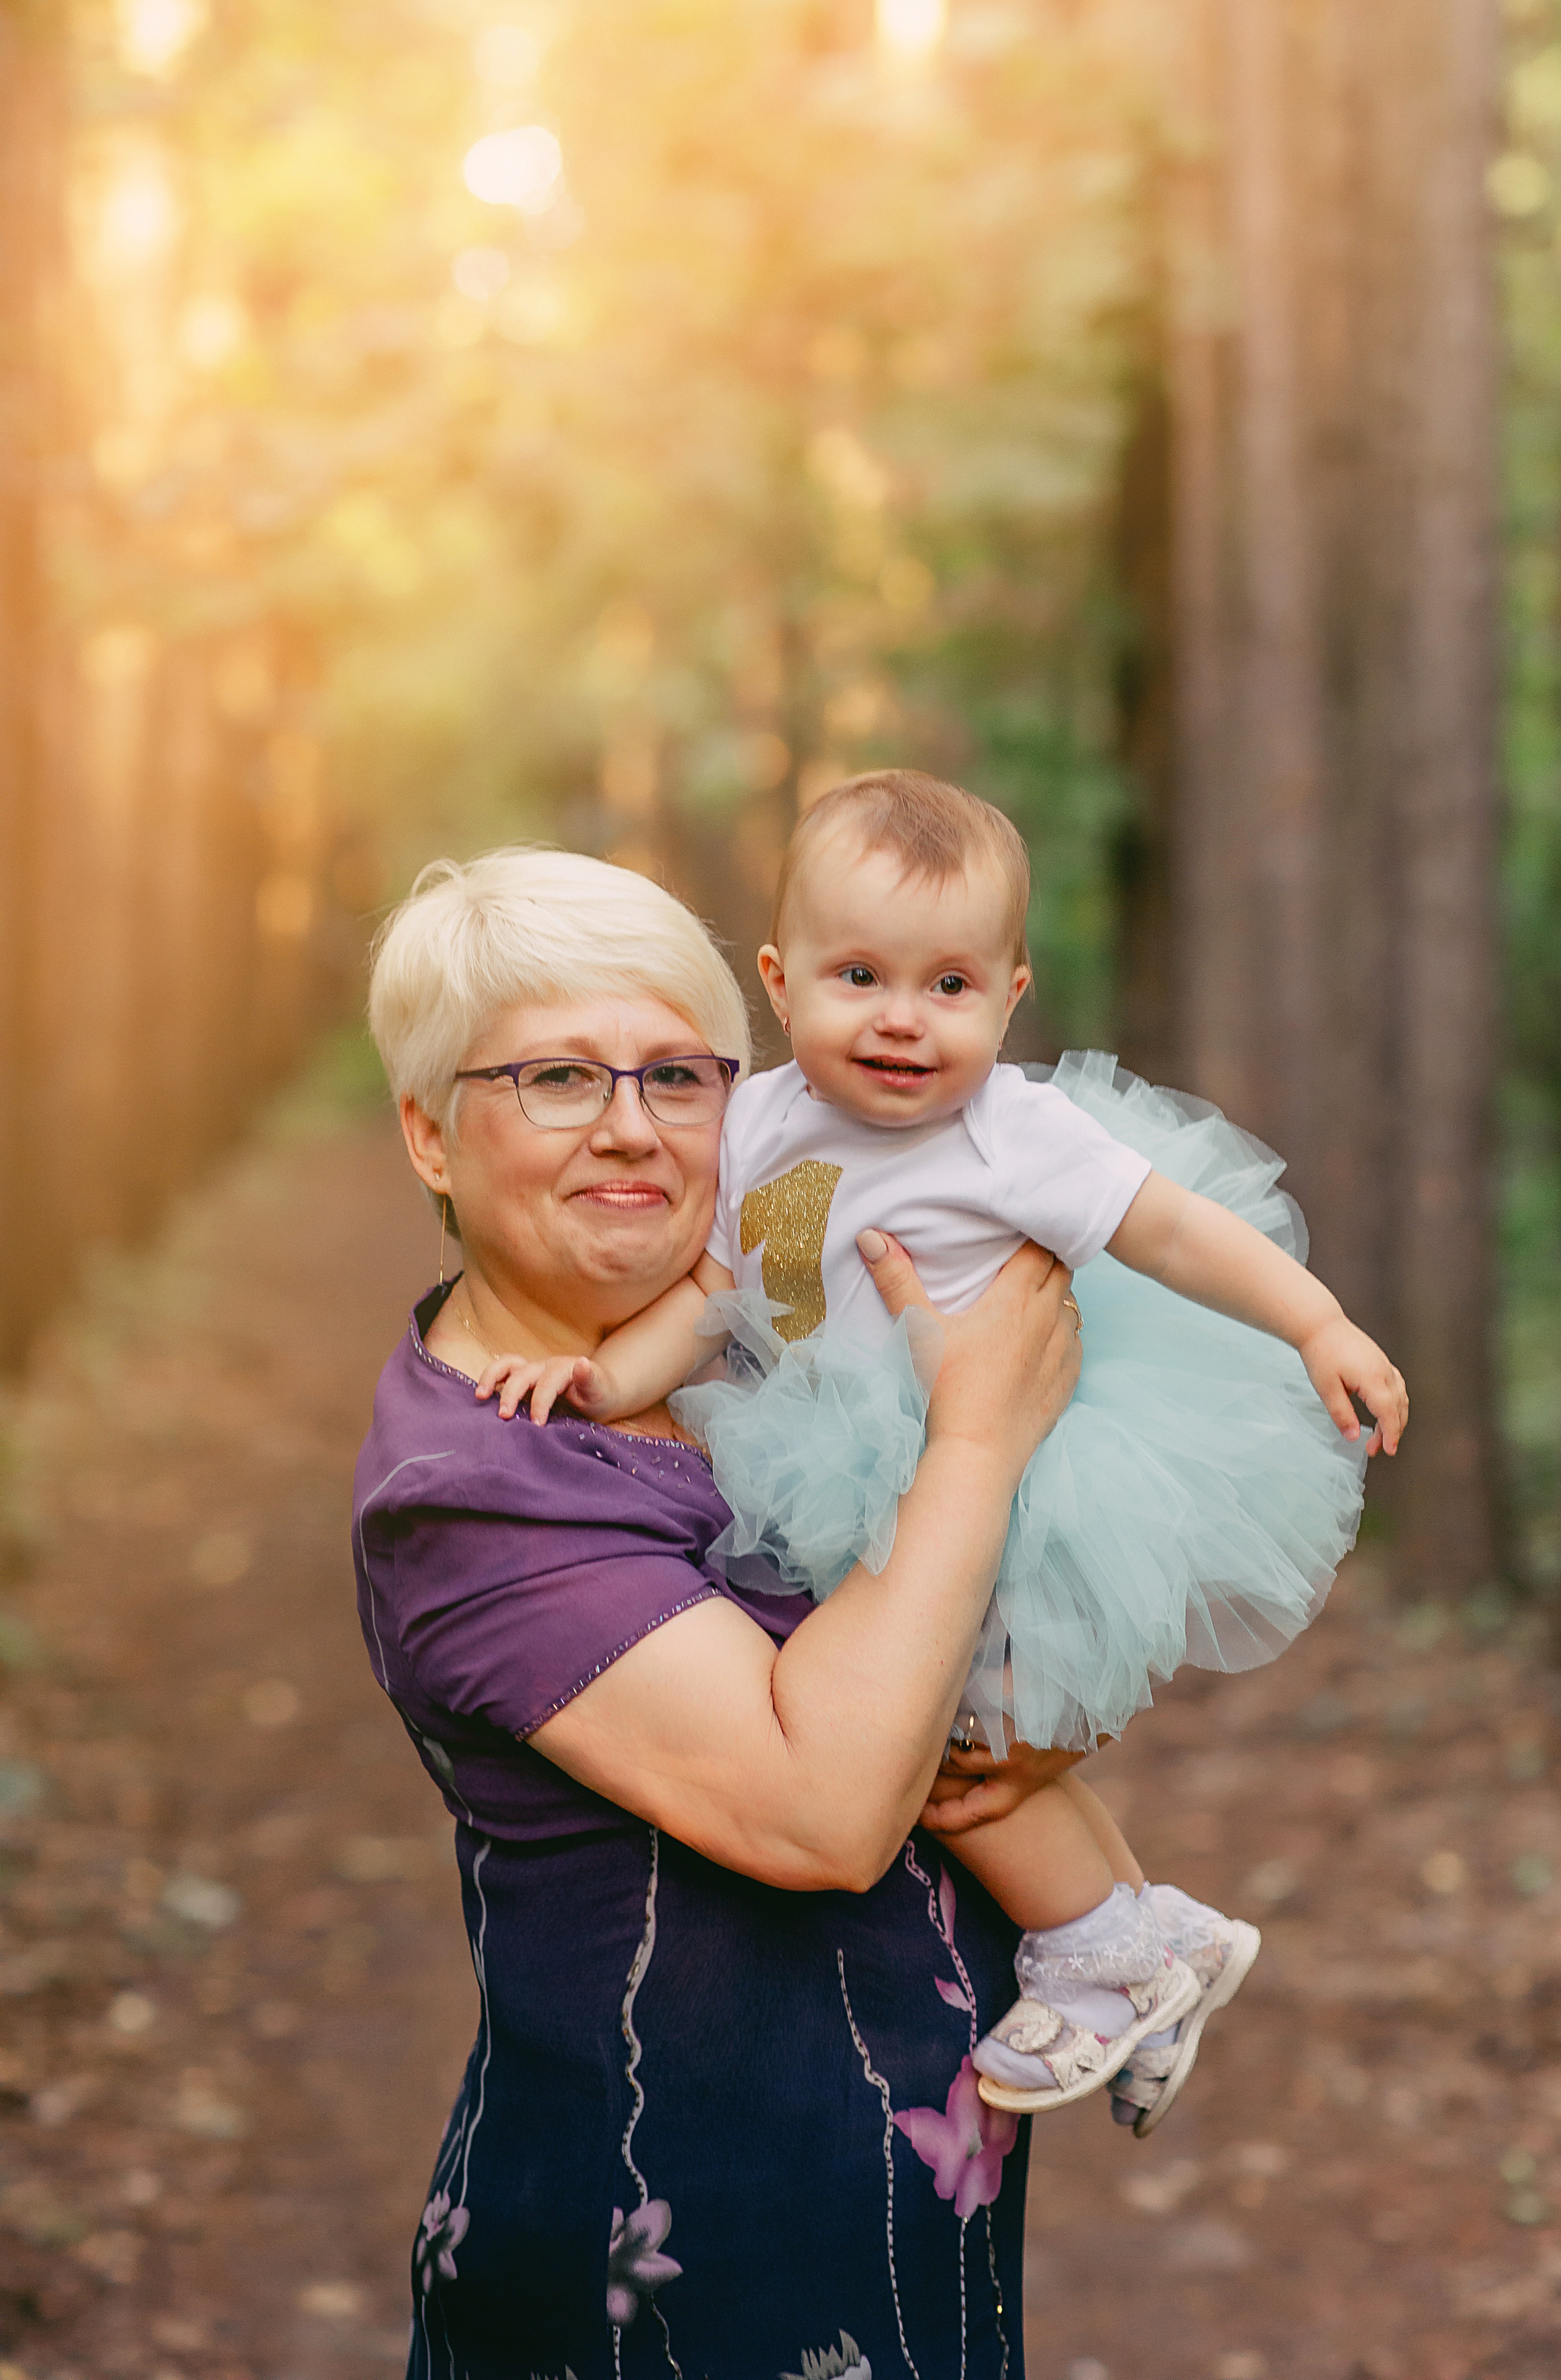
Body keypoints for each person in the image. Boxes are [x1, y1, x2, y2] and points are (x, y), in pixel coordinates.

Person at [474, 775, 1409, 2123]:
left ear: (1012, 995)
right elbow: (708, 1297)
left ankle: (1100, 1952)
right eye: (860, 975)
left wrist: (1312, 1321)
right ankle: (1151, 1938)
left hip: (1010, 1474)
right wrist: (599, 1373)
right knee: (962, 1725)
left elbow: (1172, 1233)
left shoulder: (1011, 1135)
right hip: (855, 1466)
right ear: (779, 985)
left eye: (950, 985)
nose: (902, 1017)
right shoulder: (757, 1125)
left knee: (958, 1752)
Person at [352, 844, 1117, 2380]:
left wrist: (1031, 1729)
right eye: (558, 1077)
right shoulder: (473, 1485)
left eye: (681, 1077)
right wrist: (976, 1441)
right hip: (662, 2277)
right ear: (431, 1136)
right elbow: (827, 1812)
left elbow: (966, 1658)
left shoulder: (755, 1358)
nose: (632, 1129)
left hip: (905, 2217)